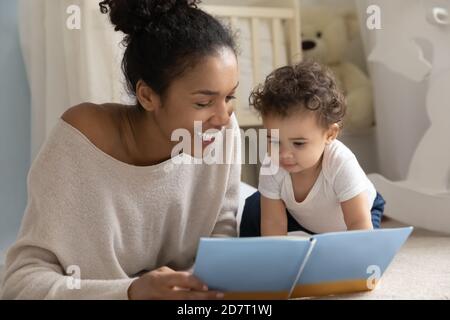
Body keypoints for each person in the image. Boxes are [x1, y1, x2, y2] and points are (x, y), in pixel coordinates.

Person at [1, 0, 241, 300]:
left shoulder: (222, 132)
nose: (223, 116)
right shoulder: (83, 139)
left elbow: (223, 242)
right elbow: (19, 284)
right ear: (147, 96)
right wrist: (130, 292)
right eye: (203, 103)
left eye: (230, 96)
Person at [240, 61, 385, 237]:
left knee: (364, 249)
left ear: (330, 134)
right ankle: (250, 252)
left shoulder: (340, 163)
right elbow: (274, 222)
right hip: (306, 220)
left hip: (358, 216)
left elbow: (358, 222)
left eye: (299, 143)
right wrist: (276, 256)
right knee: (255, 205)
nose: (284, 154)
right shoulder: (272, 165)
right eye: (274, 141)